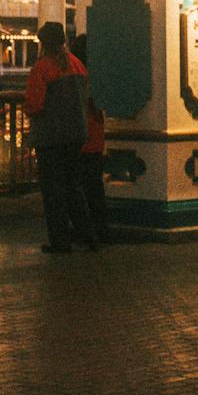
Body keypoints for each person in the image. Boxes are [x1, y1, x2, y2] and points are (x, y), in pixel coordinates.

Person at [25, 21, 93, 253]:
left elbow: (35, 104)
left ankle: (60, 241)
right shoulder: (77, 64)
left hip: (51, 138)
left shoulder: (42, 68)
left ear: (44, 43)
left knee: (53, 190)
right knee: (74, 186)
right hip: (76, 135)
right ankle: (88, 236)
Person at [69, 32, 110, 244]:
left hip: (79, 136)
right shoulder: (98, 75)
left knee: (78, 186)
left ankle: (83, 230)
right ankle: (100, 228)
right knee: (94, 185)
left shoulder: (76, 73)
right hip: (96, 135)